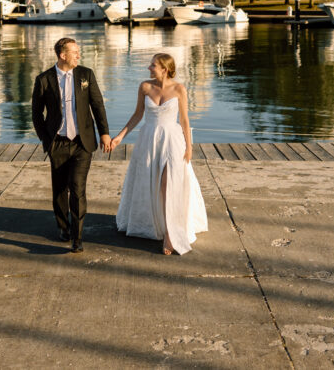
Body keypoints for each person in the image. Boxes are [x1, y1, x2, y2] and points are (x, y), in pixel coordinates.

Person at [107, 53, 207, 255]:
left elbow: (185, 120)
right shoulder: (145, 87)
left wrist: (189, 147)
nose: (149, 68)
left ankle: (171, 234)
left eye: (153, 65)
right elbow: (137, 115)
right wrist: (119, 137)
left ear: (165, 68)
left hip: (172, 140)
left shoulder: (179, 89)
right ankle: (156, 223)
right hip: (148, 139)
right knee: (151, 182)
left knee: (168, 183)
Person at [32, 37, 110, 253]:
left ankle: (77, 237)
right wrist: (46, 140)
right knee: (59, 190)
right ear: (62, 55)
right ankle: (63, 226)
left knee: (77, 188)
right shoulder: (44, 79)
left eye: (79, 51)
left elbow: (98, 105)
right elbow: (36, 114)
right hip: (57, 143)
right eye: (75, 52)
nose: (79, 55)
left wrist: (104, 133)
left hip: (82, 143)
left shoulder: (86, 74)